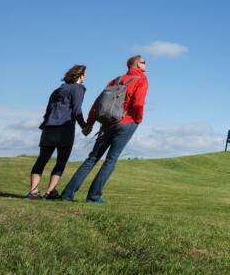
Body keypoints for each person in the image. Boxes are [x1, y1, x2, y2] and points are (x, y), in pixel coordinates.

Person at [60, 55, 149, 203]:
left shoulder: (115, 80)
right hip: (126, 123)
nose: (145, 65)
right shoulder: (142, 80)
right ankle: (94, 196)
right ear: (137, 65)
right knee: (111, 159)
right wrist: (138, 120)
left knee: (92, 158)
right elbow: (138, 103)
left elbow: (98, 103)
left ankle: (67, 194)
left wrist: (90, 122)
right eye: (144, 62)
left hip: (107, 123)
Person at [27, 64, 87, 200]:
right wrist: (84, 125)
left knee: (42, 160)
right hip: (64, 129)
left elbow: (48, 111)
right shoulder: (78, 89)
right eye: (85, 74)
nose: (86, 77)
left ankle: (33, 192)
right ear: (80, 75)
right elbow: (77, 110)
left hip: (49, 127)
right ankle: (50, 192)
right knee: (61, 161)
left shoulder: (57, 90)